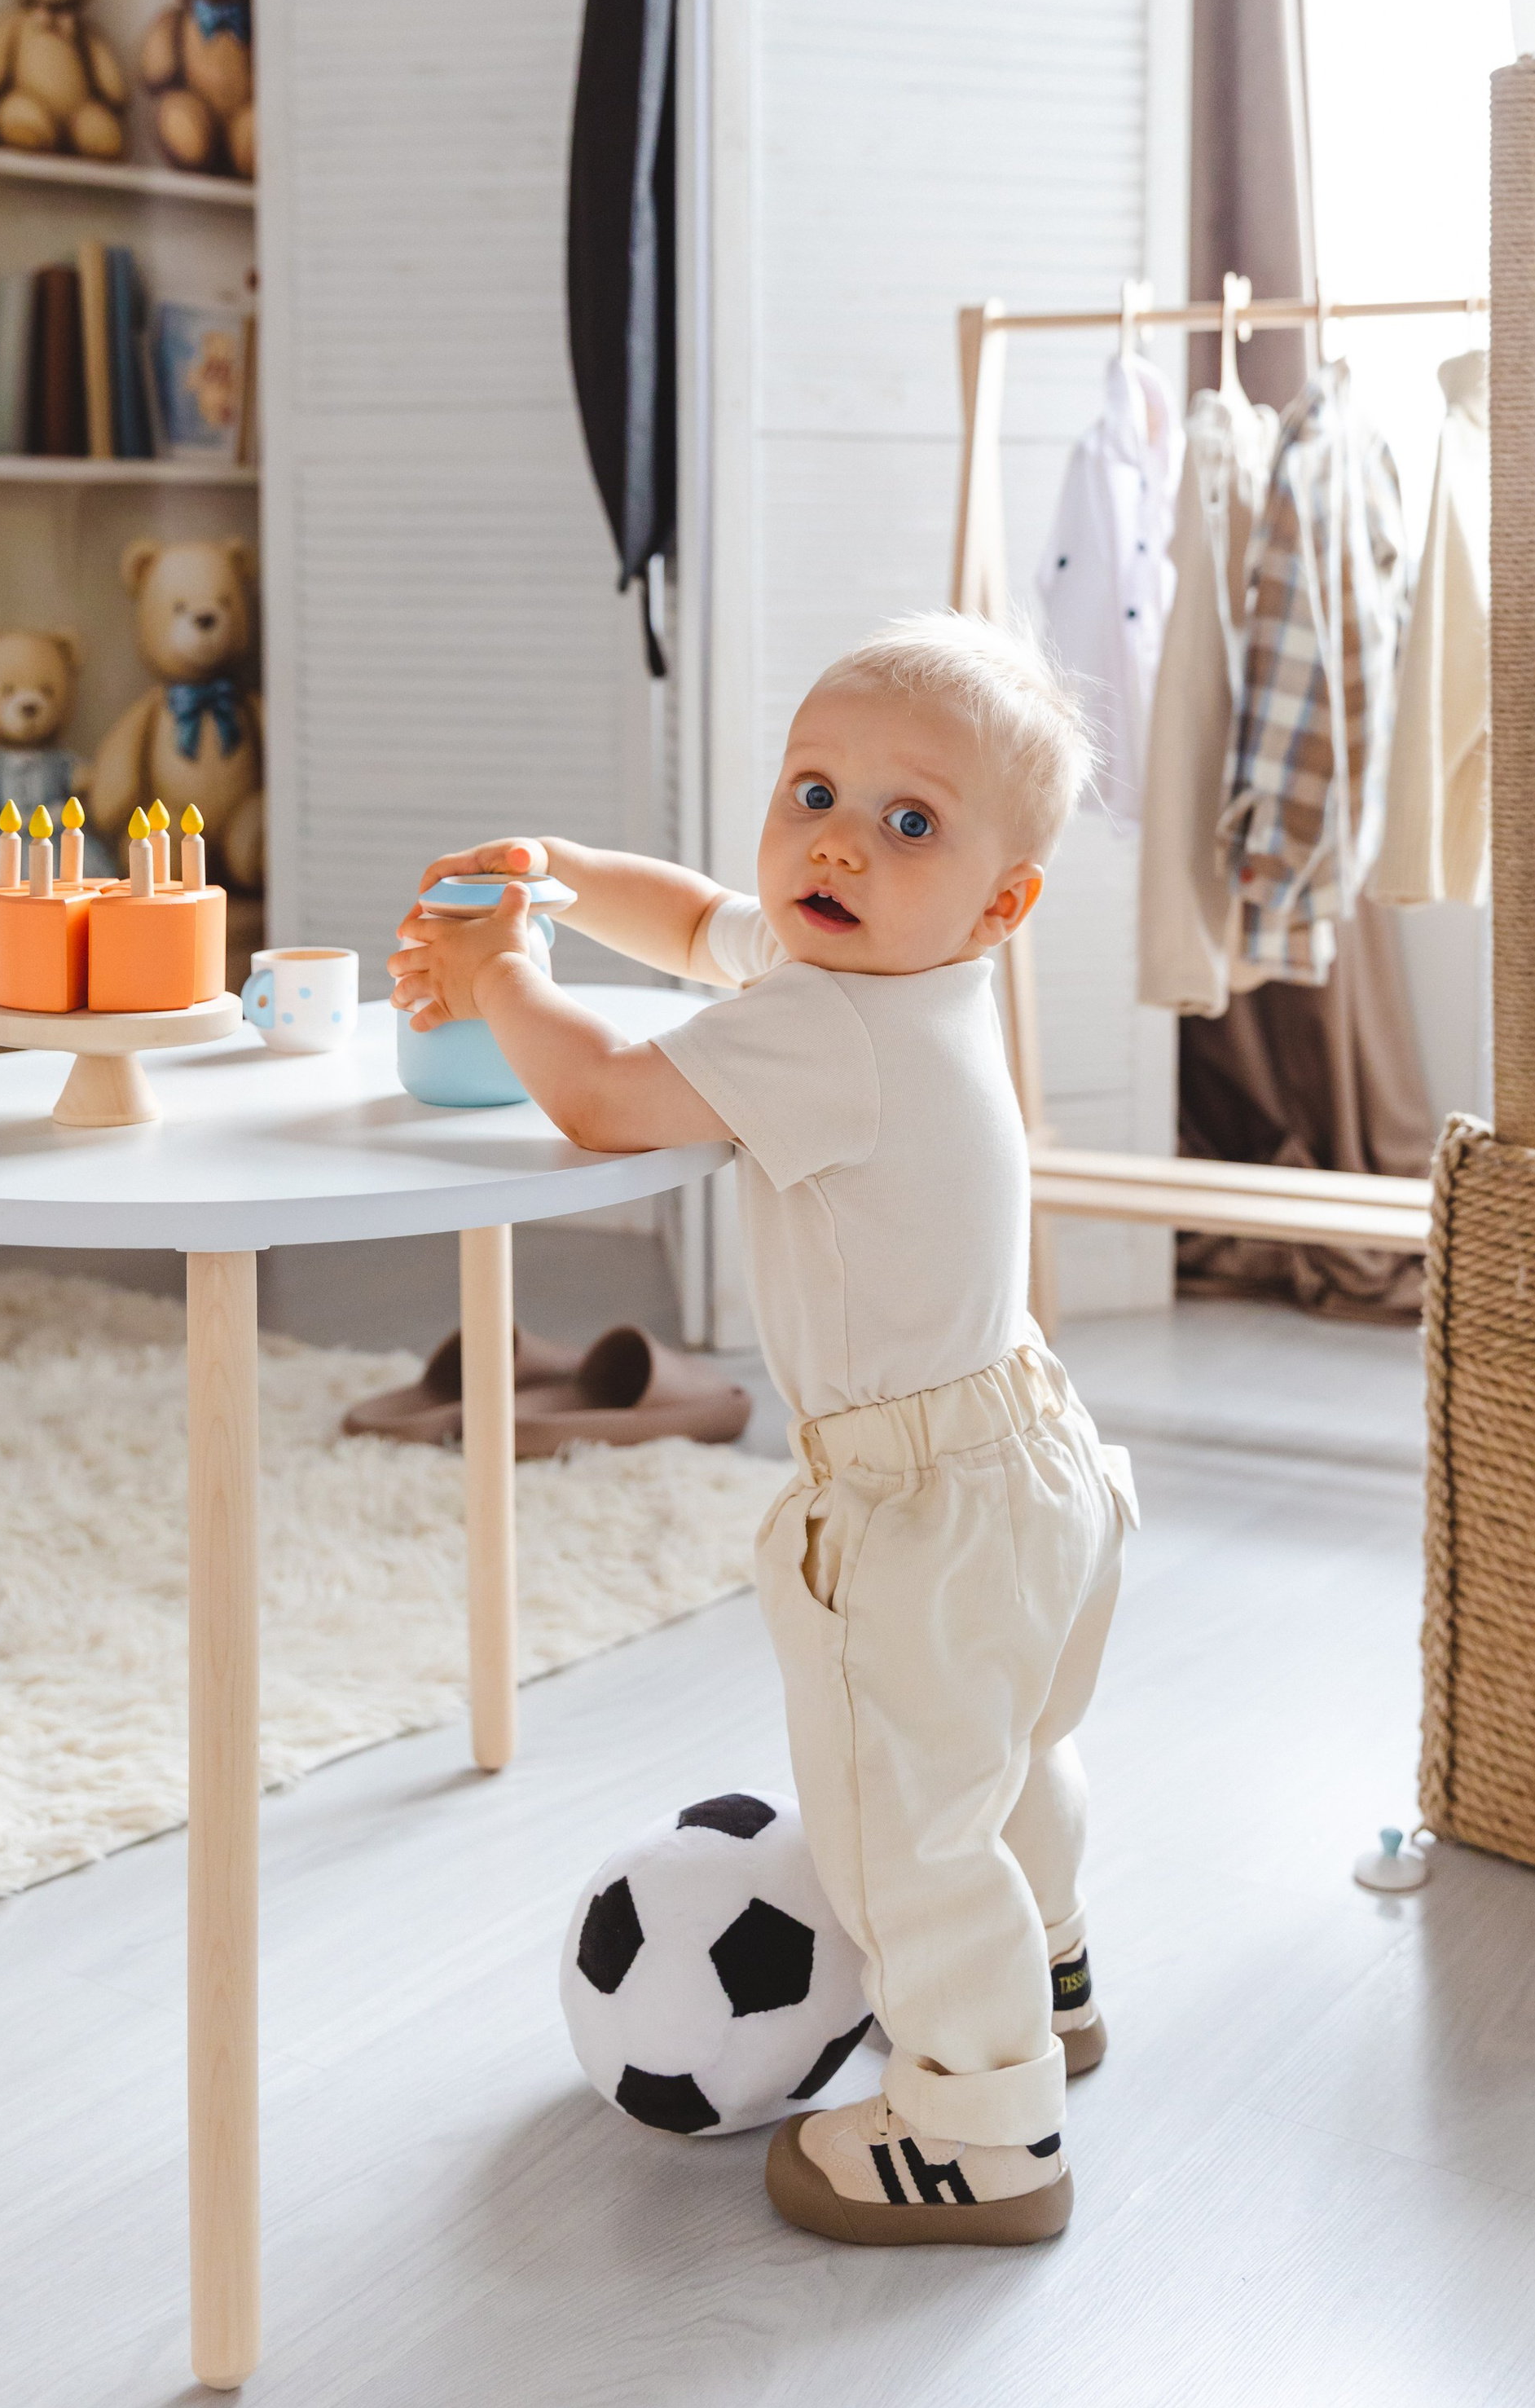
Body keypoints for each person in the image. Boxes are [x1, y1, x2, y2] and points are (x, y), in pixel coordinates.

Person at [391, 610, 1135, 2247]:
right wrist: (564, 876)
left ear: (1002, 901)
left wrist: (497, 972)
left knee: (899, 1829)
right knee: (1011, 1755)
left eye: (908, 821)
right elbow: (697, 924)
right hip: (1036, 1458)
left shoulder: (825, 1024)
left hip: (918, 1508)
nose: (837, 844)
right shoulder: (895, 970)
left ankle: (980, 2130)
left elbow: (602, 1093)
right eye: (812, 793)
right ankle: (1049, 1975)